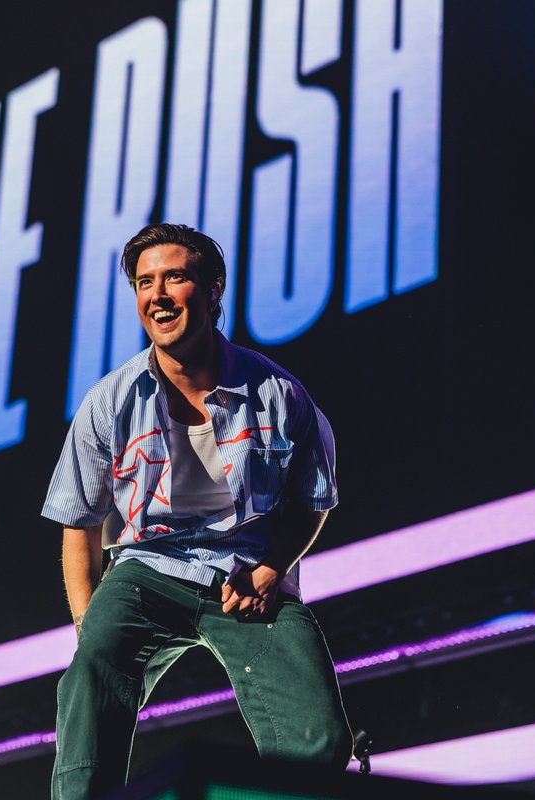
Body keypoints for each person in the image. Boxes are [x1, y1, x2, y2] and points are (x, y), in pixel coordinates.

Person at [42, 223, 352, 799]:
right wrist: (91, 628)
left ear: (213, 291)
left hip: (248, 571)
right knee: (89, 677)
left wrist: (271, 569)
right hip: (147, 570)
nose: (157, 295)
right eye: (143, 282)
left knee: (319, 737)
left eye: (175, 277)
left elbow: (313, 504)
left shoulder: (280, 395)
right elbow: (79, 523)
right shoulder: (109, 402)